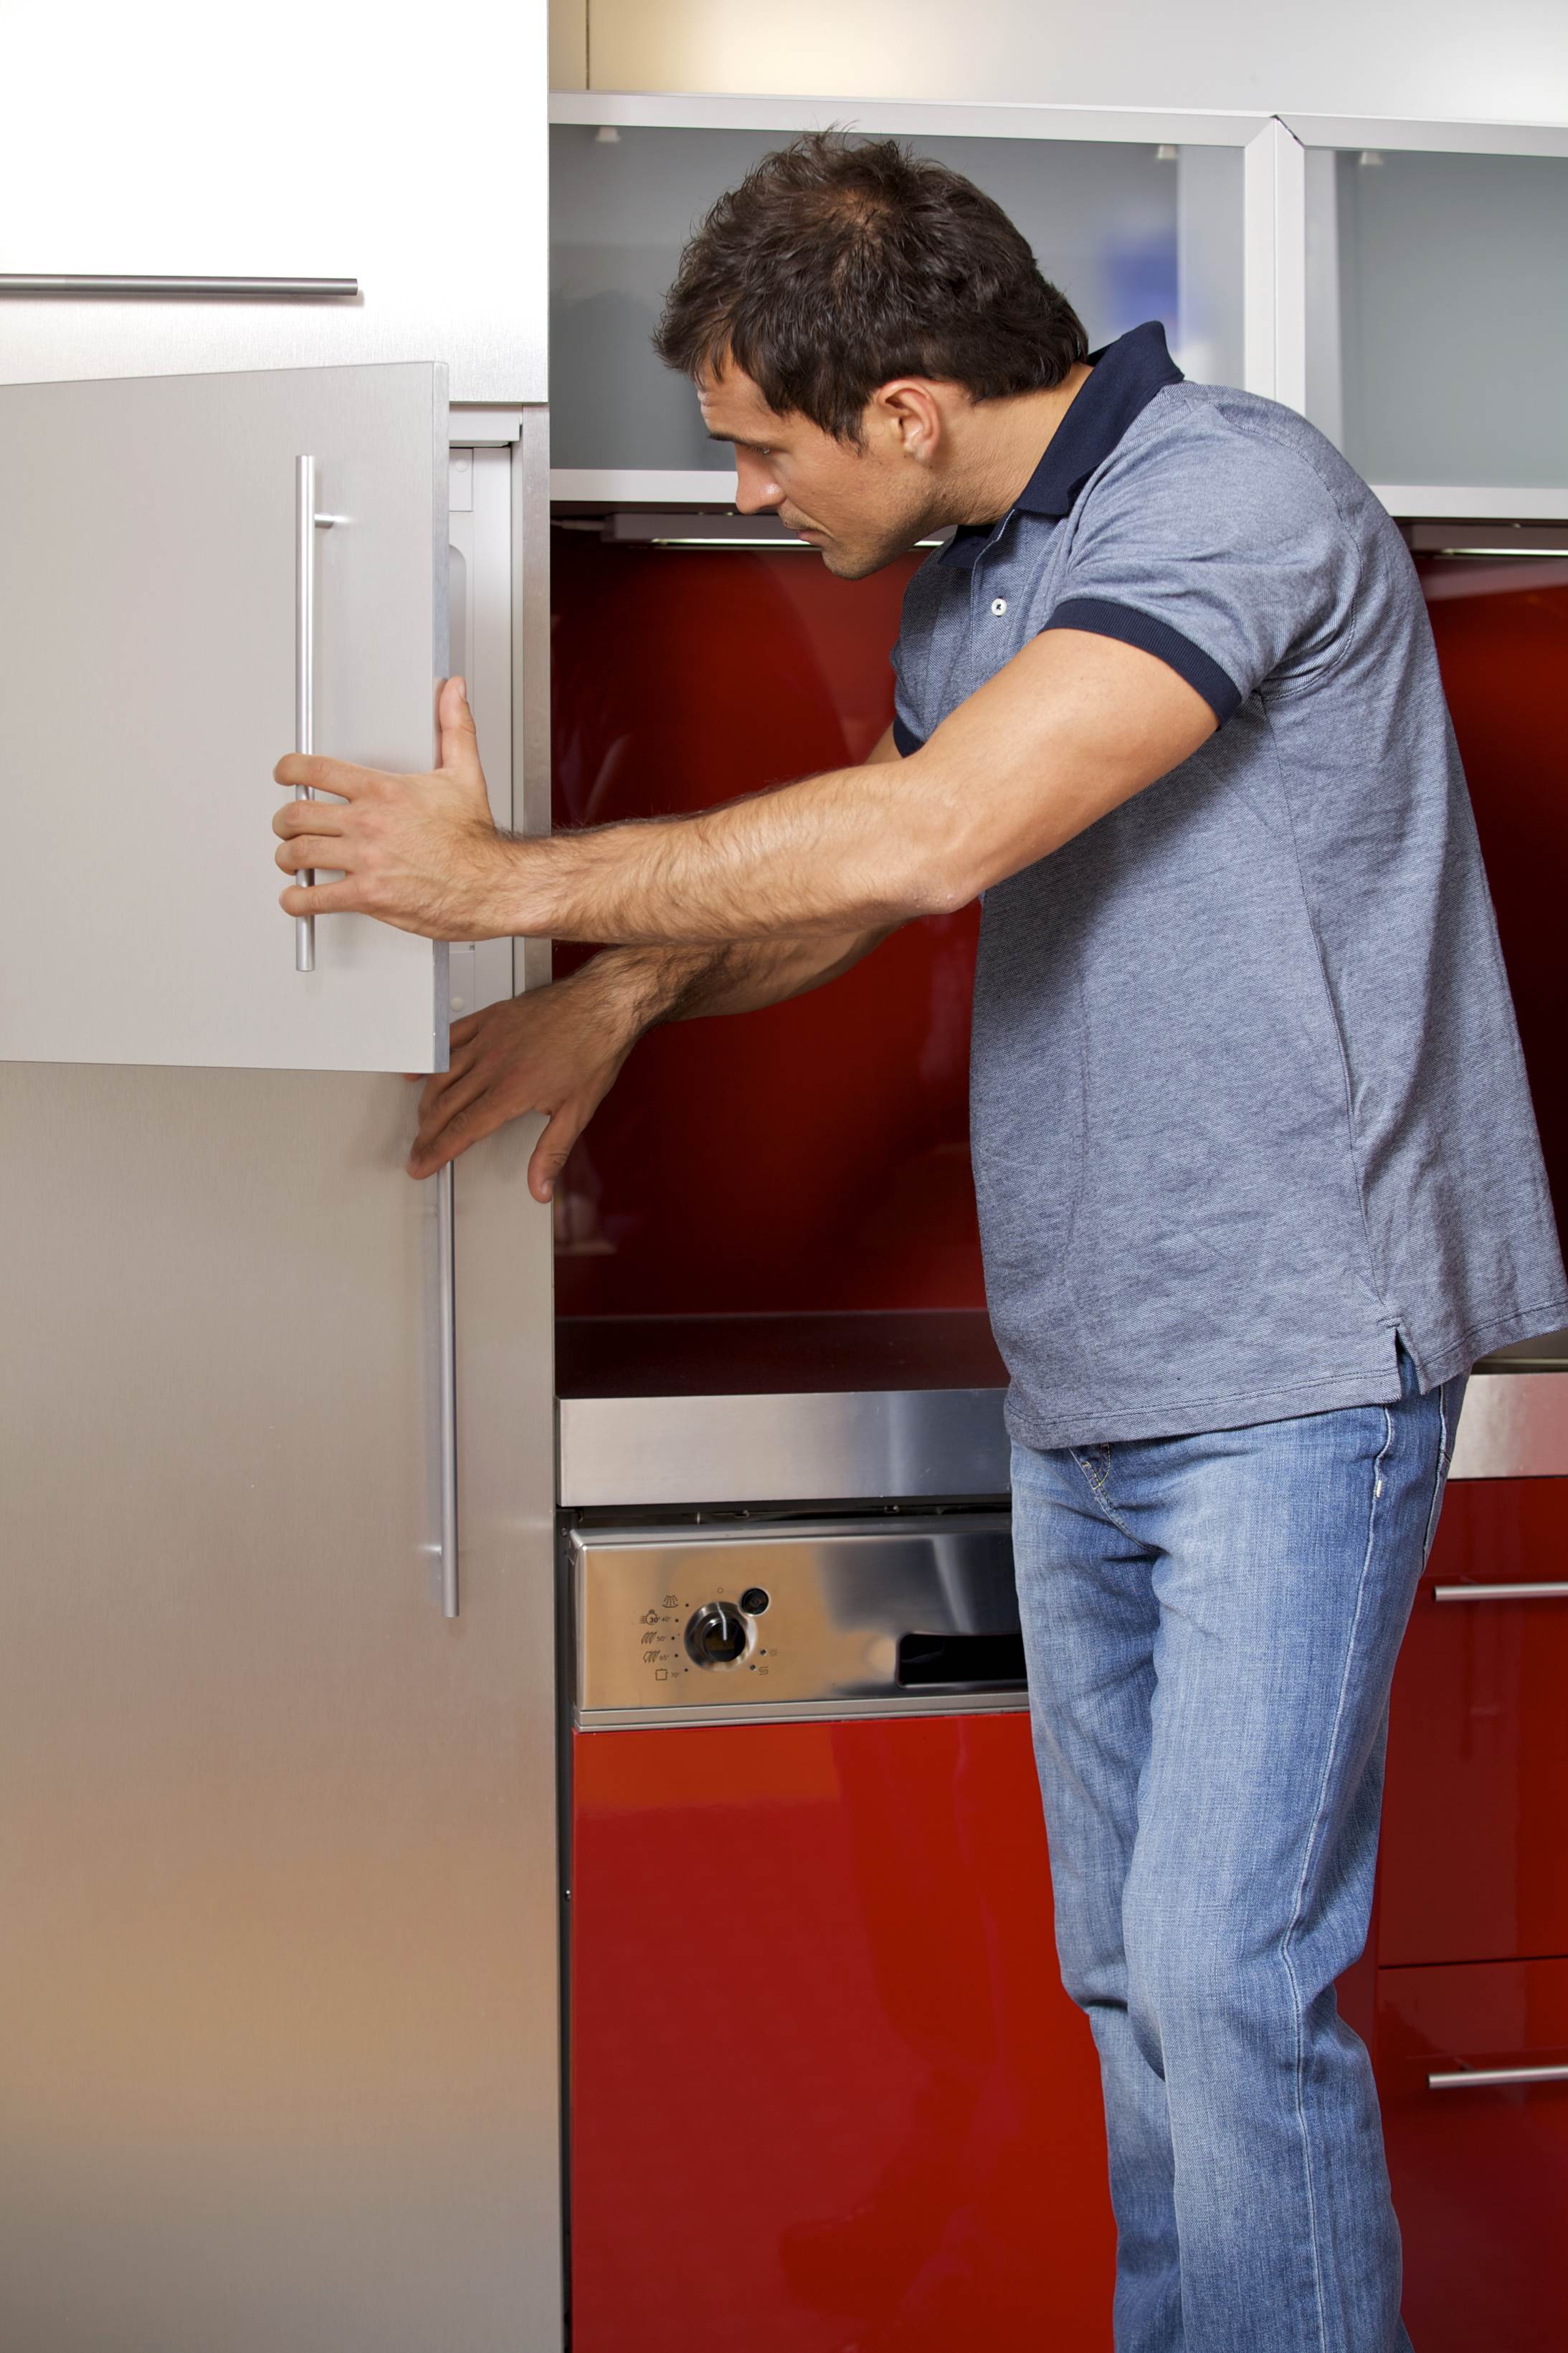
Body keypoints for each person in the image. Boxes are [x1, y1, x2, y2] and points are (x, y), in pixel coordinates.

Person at [271, 134, 1567, 2352]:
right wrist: (626, 981)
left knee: (1228, 1984)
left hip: (1291, 1357)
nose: (750, 495)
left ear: (899, 408)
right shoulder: (991, 558)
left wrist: (504, 881)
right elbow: (860, 875)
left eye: (757, 447)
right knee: (1133, 1979)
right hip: (1089, 1363)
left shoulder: (1232, 501)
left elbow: (949, 825)